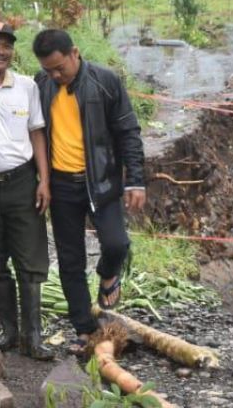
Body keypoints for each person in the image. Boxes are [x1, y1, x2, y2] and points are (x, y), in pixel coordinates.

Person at [32, 29, 146, 356]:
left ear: (75, 53)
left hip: (101, 182)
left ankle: (108, 274)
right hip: (61, 186)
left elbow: (128, 132)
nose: (55, 75)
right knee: (70, 260)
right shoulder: (41, 86)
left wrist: (135, 180)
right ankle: (84, 328)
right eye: (48, 69)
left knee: (116, 243)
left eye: (59, 68)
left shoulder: (104, 82)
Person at [0, 21, 53, 360]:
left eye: (6, 45)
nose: (1, 51)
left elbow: (37, 134)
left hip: (21, 183)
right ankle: (8, 331)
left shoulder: (27, 87)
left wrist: (44, 180)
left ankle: (34, 337)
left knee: (30, 260)